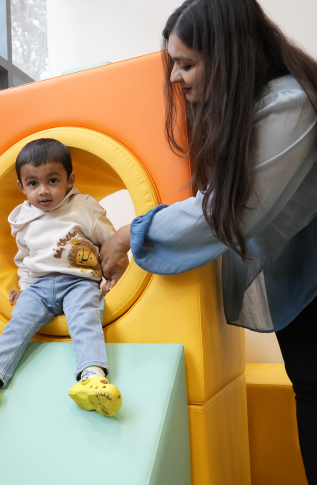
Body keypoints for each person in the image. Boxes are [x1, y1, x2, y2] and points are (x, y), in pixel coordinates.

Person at [101, 0, 317, 481]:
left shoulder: (292, 103)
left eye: (186, 64)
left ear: (228, 56)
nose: (175, 77)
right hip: (299, 285)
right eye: (173, 64)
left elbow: (229, 210)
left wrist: (130, 234)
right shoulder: (247, 114)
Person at [0, 138, 128, 417]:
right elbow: (25, 260)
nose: (43, 191)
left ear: (69, 180)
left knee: (85, 319)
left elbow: (111, 244)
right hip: (39, 287)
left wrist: (117, 276)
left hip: (78, 282)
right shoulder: (22, 218)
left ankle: (93, 377)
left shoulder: (85, 208)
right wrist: (24, 288)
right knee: (17, 325)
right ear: (21, 187)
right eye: (33, 183)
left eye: (53, 180)